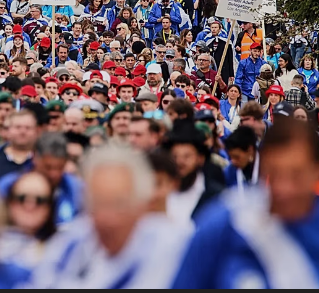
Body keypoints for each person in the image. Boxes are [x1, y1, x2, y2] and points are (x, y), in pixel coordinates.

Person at [172, 119, 319, 289]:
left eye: (296, 175)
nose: (283, 187)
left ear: (316, 171)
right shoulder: (225, 222)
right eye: (273, 174)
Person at [26, 144, 193, 289]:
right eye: (98, 204)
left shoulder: (173, 246)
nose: (107, 218)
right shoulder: (73, 241)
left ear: (141, 205)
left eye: (118, 204)